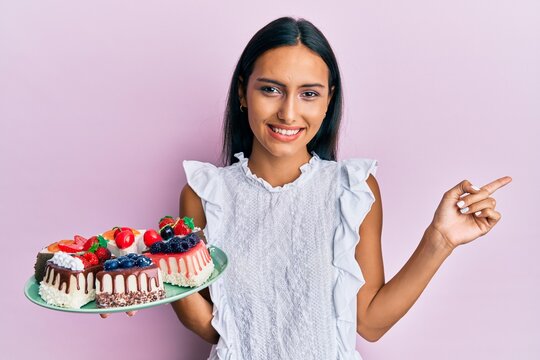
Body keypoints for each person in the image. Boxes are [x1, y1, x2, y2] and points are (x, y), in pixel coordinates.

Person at [103, 16, 512, 360]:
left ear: (328, 100)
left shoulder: (353, 188)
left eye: (309, 94)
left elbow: (368, 323)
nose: (289, 112)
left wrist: (438, 240)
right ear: (244, 93)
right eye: (270, 89)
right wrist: (152, 280)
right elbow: (212, 328)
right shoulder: (203, 192)